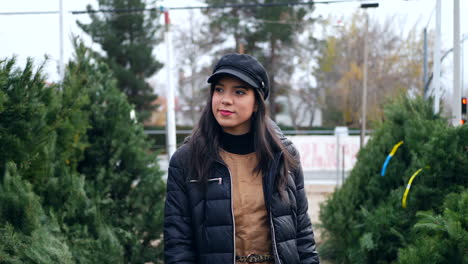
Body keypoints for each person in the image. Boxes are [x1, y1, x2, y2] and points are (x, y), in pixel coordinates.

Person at [164, 53, 320, 264]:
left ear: (257, 102)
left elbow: (302, 235)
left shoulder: (283, 155)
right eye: (219, 89)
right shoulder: (186, 160)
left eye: (239, 92)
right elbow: (178, 246)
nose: (225, 100)